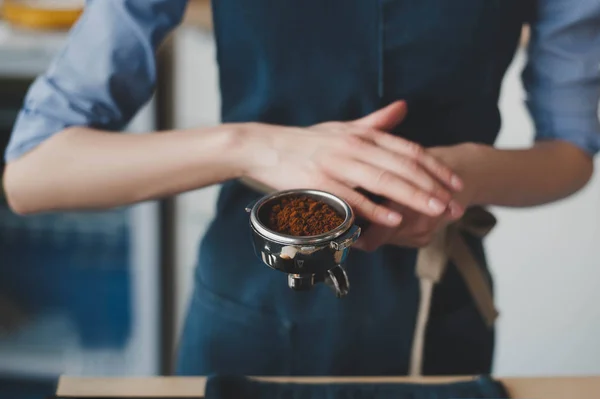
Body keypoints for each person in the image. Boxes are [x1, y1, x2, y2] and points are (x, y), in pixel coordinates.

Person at [2, 0, 599, 376]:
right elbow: (35, 171)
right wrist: (253, 146)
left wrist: (455, 177)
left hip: (439, 307)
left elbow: (571, 151)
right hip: (249, 312)